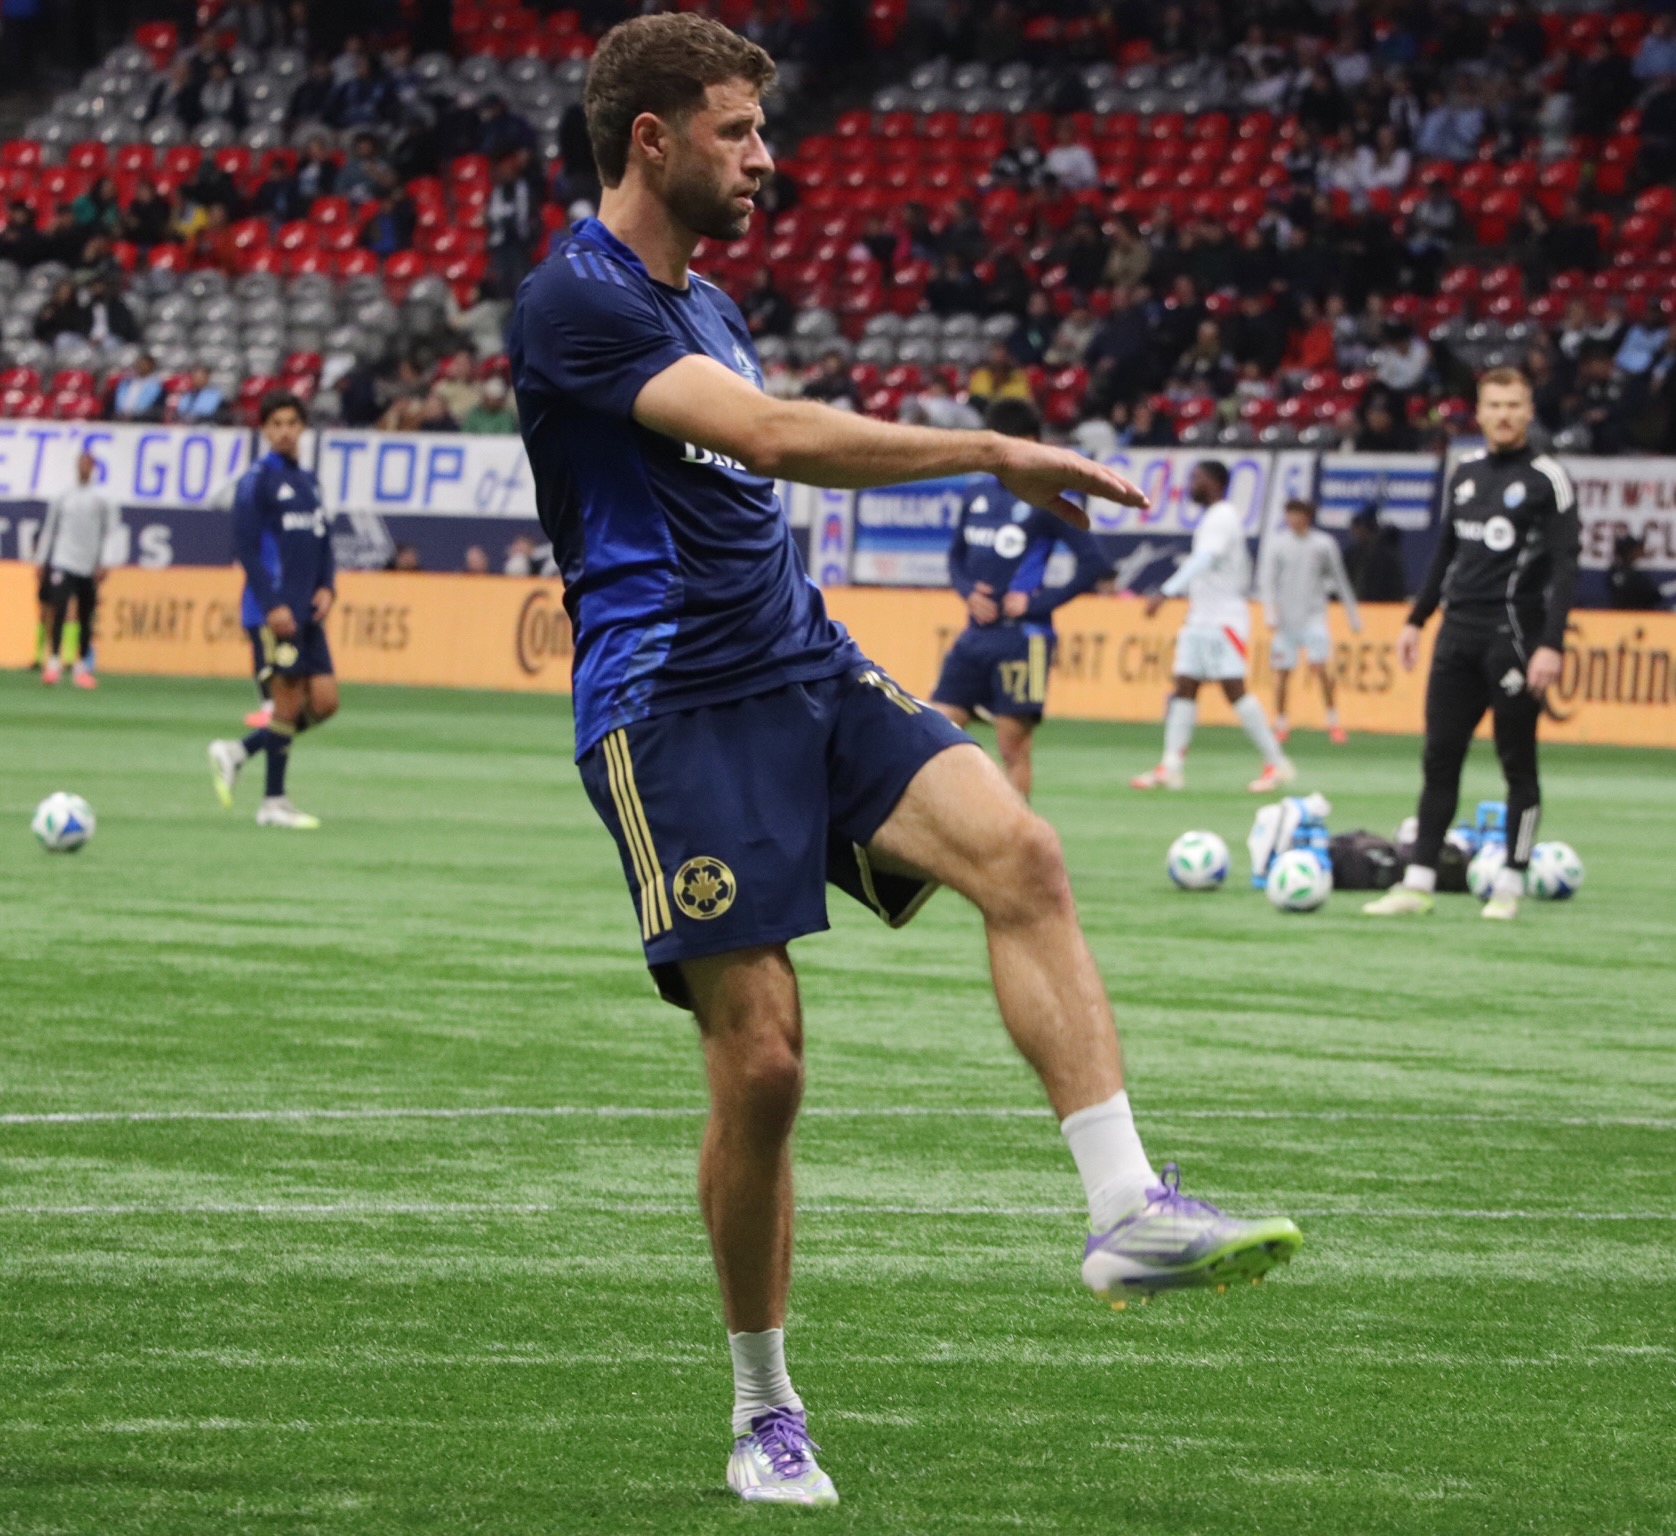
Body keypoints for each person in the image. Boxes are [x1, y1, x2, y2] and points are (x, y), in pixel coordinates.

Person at [507, 13, 1301, 1509]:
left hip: (804, 665)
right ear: (651, 140)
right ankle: (763, 1407)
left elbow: (759, 453)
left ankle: (1127, 1205)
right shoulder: (577, 300)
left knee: (1026, 854)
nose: (766, 155)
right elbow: (773, 437)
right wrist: (995, 447)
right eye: (738, 130)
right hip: (670, 706)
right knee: (767, 1066)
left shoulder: (710, 299)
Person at [1364, 368, 1578, 923]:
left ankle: (1510, 879)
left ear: (1529, 412)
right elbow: (1444, 556)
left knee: (1517, 764)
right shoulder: (1465, 475)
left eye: (1514, 405)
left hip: (1514, 639)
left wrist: (1551, 644)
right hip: (1456, 635)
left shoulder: (1548, 478)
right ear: (1478, 413)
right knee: (1440, 759)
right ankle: (1417, 882)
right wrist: (1416, 620)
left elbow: (1565, 567)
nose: (1504, 414)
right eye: (1494, 405)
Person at [930, 398, 1113, 800]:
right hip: (975, 636)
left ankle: (1019, 851)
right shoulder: (976, 492)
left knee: (1013, 747)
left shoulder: (1046, 498)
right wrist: (967, 592)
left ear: (1028, 442)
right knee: (935, 736)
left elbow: (1094, 563)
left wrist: (1037, 604)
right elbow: (956, 557)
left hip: (1023, 639)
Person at [209, 392, 339, 830]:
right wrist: (272, 605)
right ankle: (273, 802)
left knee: (324, 702)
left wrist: (328, 586)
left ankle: (239, 751)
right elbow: (245, 549)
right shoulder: (256, 481)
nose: (284, 430)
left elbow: (322, 539)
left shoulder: (309, 482)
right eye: (276, 423)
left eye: (292, 422)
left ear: (302, 428)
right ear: (264, 430)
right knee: (285, 703)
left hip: (307, 610)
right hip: (273, 612)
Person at [1130, 460, 1294, 793]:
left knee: (1234, 689)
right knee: (1184, 686)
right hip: (1201, 617)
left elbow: (1203, 560)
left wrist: (1166, 591)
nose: (1191, 484)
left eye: (1196, 478)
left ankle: (1277, 764)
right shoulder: (1212, 518)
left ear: (1215, 482)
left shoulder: (1223, 517)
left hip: (1223, 619)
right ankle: (1171, 767)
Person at [1259, 498, 1362, 745]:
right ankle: (1281, 723)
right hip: (1286, 620)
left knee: (1320, 668)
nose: (1292, 519)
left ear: (1307, 516)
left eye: (1297, 514)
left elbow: (1339, 579)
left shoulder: (1323, 544)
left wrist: (1353, 615)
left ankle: (1333, 721)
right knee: (1282, 673)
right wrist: (1270, 613)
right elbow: (1267, 582)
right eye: (1289, 514)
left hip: (1314, 617)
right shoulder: (1278, 544)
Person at [35, 450, 118, 689]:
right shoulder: (64, 496)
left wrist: (105, 562)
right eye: (80, 463)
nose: (83, 468)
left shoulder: (102, 499)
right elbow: (50, 529)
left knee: (85, 615)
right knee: (59, 610)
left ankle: (81, 666)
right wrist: (42, 560)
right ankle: (53, 663)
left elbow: (110, 533)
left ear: (93, 468)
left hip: (88, 565)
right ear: (76, 466)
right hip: (63, 560)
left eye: (87, 464)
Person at [1606, 532, 1664, 611]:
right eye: (1637, 548)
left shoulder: (1613, 571)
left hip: (1619, 616)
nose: (1640, 550)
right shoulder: (1633, 576)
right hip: (1636, 616)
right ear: (1630, 552)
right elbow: (1655, 596)